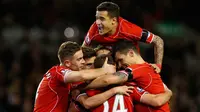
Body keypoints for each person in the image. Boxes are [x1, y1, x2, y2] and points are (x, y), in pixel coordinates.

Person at [86, 40, 171, 111]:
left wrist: (83, 86)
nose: (119, 65)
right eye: (117, 62)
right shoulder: (147, 70)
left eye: (121, 60)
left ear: (131, 53)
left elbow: (107, 80)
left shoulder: (139, 69)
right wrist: (168, 93)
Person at [33, 41, 115, 112]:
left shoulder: (70, 81)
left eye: (82, 58)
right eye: (79, 59)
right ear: (67, 63)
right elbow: (82, 75)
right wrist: (105, 70)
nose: (83, 61)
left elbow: (90, 85)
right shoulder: (56, 72)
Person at [82, 1, 164, 72]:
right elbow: (82, 50)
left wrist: (158, 65)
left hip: (132, 69)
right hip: (110, 70)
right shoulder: (94, 29)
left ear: (113, 21)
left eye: (102, 19)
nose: (97, 22)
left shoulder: (129, 29)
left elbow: (158, 40)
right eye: (97, 18)